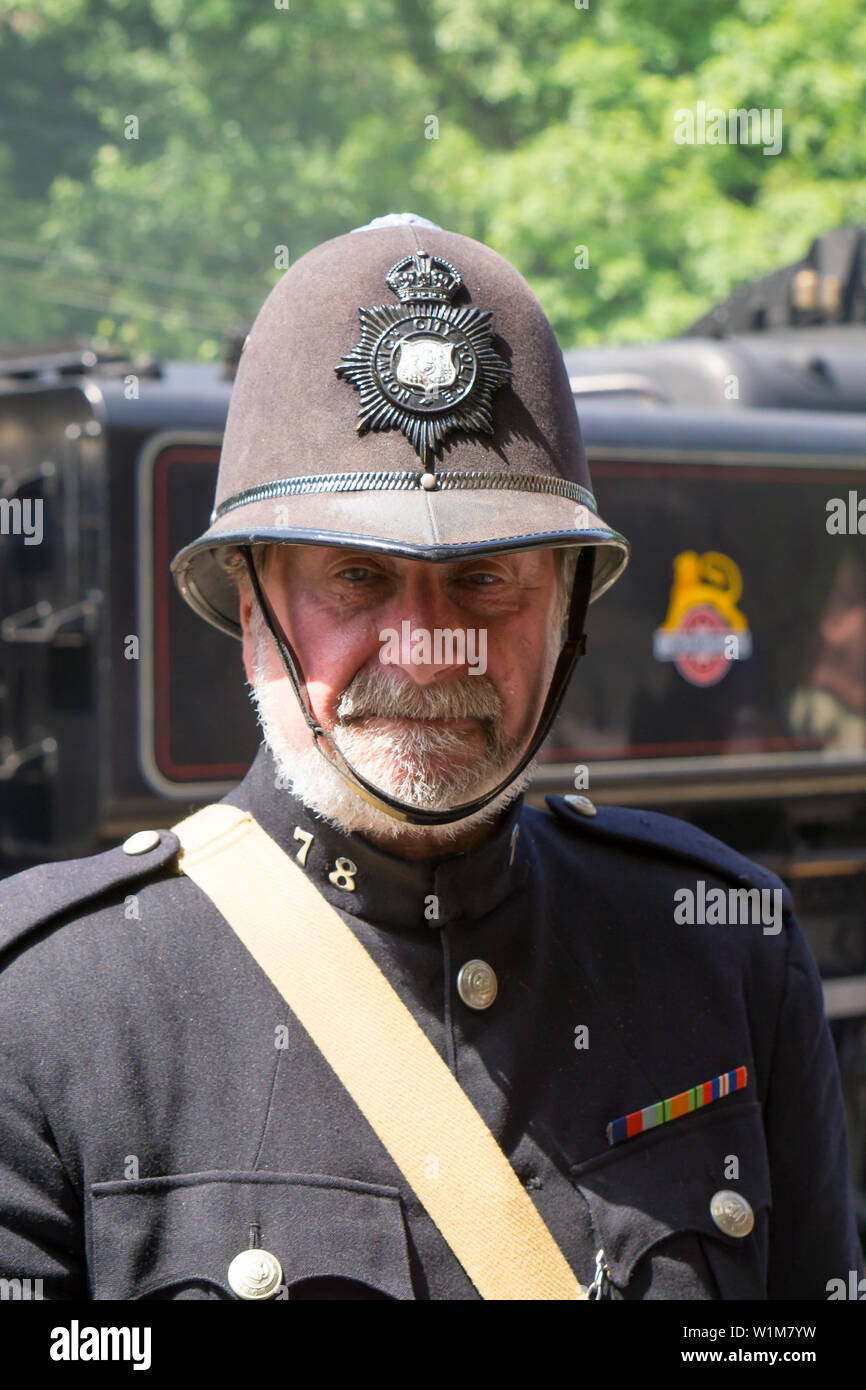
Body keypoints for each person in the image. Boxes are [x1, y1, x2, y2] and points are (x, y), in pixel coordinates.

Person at [0, 213, 861, 1300]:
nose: (423, 646)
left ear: (568, 613)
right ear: (254, 605)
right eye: (356, 576)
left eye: (486, 579)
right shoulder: (40, 1013)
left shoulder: (728, 961)